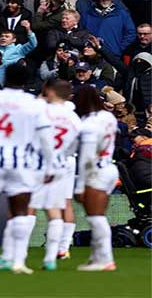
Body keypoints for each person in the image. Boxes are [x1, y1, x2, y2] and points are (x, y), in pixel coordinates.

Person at [0, 64, 55, 274]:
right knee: (19, 211)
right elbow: (45, 137)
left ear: (5, 78)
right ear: (26, 81)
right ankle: (18, 261)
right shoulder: (34, 104)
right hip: (21, 163)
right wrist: (50, 164)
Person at [26, 79, 81, 271]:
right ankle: (60, 250)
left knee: (29, 205)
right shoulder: (74, 117)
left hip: (40, 161)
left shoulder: (42, 110)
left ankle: (19, 252)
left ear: (50, 92)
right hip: (65, 162)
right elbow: (76, 143)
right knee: (61, 205)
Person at [73, 86, 120, 271]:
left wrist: (79, 186)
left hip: (96, 172)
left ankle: (106, 260)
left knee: (95, 218)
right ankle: (96, 257)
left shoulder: (88, 125)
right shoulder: (108, 117)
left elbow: (86, 157)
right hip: (109, 167)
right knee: (98, 216)